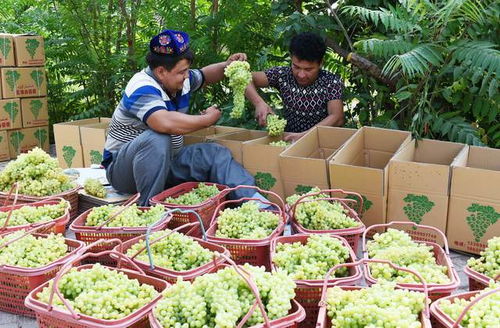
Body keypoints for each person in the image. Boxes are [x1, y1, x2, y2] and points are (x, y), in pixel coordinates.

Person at [102, 29, 261, 205]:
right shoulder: (141, 86)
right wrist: (206, 120)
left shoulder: (179, 79)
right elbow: (162, 122)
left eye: (187, 71)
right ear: (161, 71)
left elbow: (206, 75)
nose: (186, 76)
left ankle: (257, 203)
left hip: (167, 162)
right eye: (182, 72)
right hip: (124, 172)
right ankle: (148, 211)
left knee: (215, 153)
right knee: (157, 138)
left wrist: (228, 65)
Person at [245, 32, 345, 143]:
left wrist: (304, 136)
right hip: (290, 141)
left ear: (321, 63)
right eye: (296, 67)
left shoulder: (331, 81)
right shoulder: (282, 75)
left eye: (308, 69)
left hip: (322, 143)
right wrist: (258, 103)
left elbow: (337, 117)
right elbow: (244, 77)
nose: (301, 75)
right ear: (291, 58)